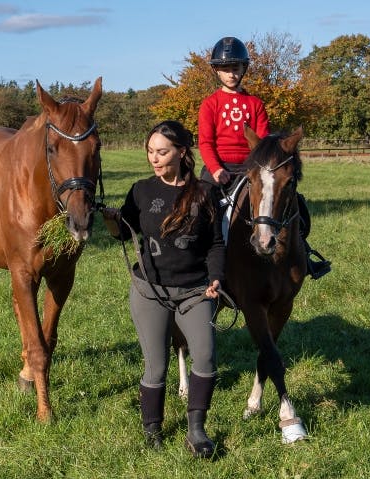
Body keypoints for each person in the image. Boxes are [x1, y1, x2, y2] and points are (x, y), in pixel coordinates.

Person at [102, 120, 225, 459]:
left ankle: (196, 429)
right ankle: (152, 429)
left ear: (182, 152)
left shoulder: (205, 192)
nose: (153, 159)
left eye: (161, 152)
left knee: (206, 357)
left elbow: (216, 243)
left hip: (195, 291)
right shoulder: (141, 190)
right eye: (150, 152)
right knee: (156, 366)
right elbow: (123, 234)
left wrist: (216, 277)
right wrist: (113, 221)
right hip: (150, 291)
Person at [198, 36, 331, 279]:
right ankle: (199, 260)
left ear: (243, 69)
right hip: (219, 168)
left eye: (235, 69)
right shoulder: (210, 104)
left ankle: (305, 254)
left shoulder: (255, 103)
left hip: (253, 167)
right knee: (201, 207)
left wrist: (261, 167)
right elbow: (205, 142)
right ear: (217, 71)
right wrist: (216, 169)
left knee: (294, 202)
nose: (231, 74)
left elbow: (263, 142)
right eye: (226, 69)